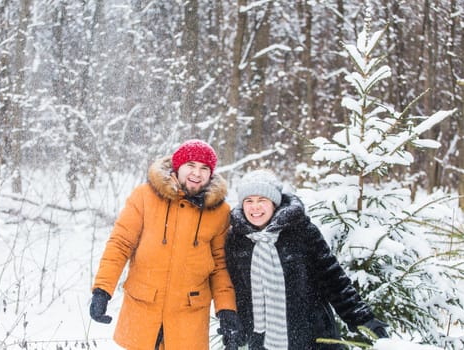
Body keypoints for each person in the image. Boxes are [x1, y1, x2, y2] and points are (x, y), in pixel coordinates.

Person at [89, 139, 244, 350]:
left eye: (204, 168)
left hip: (188, 317)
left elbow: (220, 266)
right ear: (177, 167)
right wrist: (102, 290)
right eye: (191, 165)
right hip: (143, 308)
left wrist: (226, 310)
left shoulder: (219, 211)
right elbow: (120, 244)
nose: (197, 174)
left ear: (211, 173)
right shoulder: (145, 196)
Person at [225, 169, 389, 350]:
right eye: (249, 201)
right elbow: (238, 291)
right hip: (262, 340)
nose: (255, 207)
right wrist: (236, 327)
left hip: (314, 336)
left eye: (262, 200)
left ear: (274, 203)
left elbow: (333, 278)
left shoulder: (301, 231)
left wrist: (361, 317)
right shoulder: (236, 240)